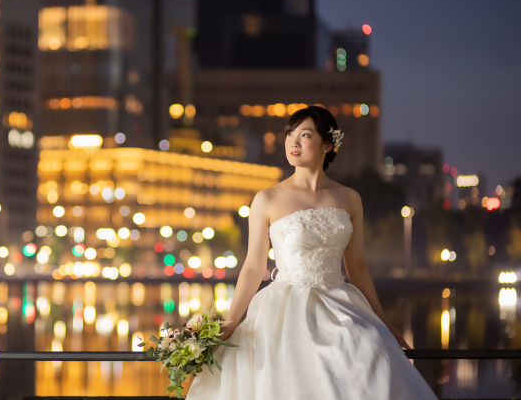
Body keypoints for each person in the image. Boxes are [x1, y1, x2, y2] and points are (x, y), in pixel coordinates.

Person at [186, 106, 437, 399]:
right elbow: (254, 266)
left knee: (370, 346)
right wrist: (230, 321)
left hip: (340, 300)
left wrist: (382, 322)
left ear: (327, 145)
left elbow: (357, 267)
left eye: (304, 135)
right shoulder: (267, 198)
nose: (293, 142)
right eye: (290, 134)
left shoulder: (349, 198)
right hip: (284, 308)